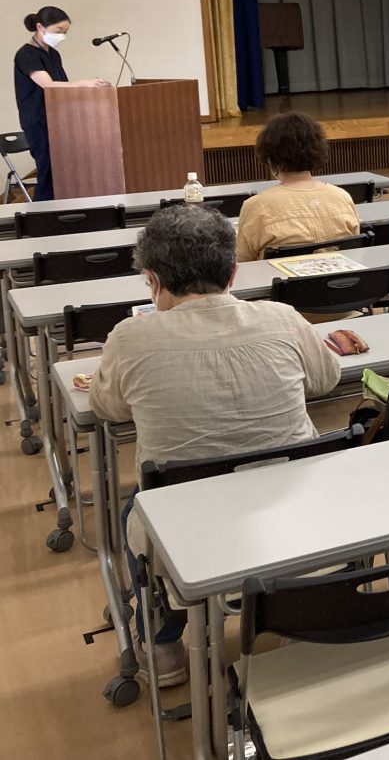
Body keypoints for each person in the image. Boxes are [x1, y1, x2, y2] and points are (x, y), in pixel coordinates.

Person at [91, 204, 341, 684]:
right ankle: (297, 614)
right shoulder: (282, 318)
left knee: (134, 513)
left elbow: (110, 408)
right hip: (298, 504)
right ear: (232, 271)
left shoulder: (130, 337)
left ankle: (163, 646)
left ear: (152, 280)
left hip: (185, 526)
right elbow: (326, 379)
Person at [12, 6, 111, 200]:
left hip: (59, 120)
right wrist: (83, 83)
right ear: (40, 27)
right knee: (48, 171)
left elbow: (63, 87)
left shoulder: (53, 54)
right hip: (39, 121)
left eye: (65, 32)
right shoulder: (26, 54)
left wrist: (90, 88)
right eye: (59, 31)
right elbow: (48, 86)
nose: (62, 36)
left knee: (64, 171)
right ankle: (40, 219)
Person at [235, 112, 360, 261]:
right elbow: (355, 253)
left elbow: (242, 263)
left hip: (280, 282)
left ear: (270, 157)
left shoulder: (256, 206)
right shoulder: (342, 197)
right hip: (341, 283)